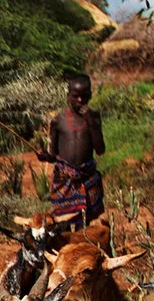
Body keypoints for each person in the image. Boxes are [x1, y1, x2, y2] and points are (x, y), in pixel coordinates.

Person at [39, 71, 106, 226]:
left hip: (87, 178)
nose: (80, 100)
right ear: (68, 96)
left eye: (84, 96)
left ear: (90, 95)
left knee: (88, 223)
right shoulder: (58, 120)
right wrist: (45, 156)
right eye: (76, 96)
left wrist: (91, 122)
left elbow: (100, 149)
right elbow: (53, 155)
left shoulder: (94, 117)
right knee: (62, 223)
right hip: (64, 179)